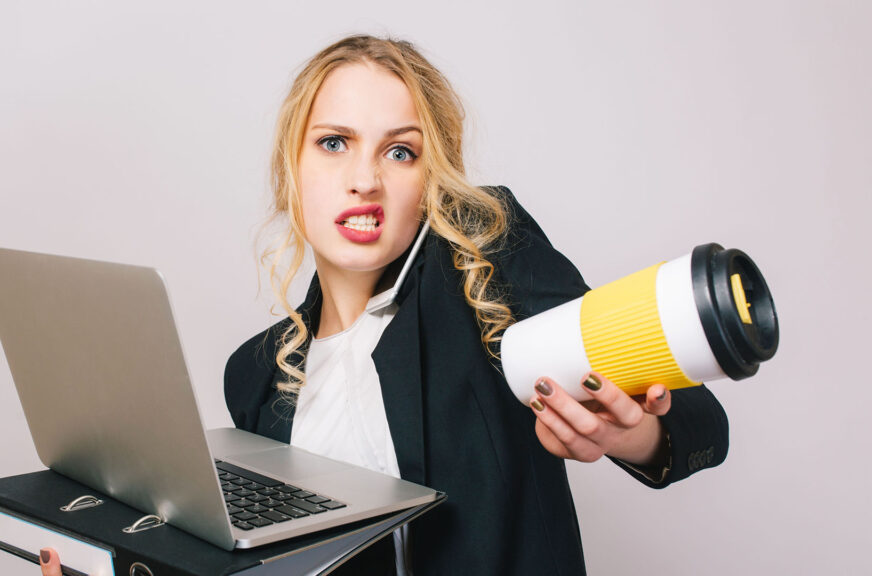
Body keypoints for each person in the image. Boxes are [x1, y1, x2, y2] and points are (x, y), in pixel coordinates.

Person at [38, 34, 728, 576]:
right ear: (292, 167)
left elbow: (696, 418)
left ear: (432, 178)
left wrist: (627, 432)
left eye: (400, 152)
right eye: (333, 143)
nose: (364, 179)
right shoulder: (254, 373)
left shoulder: (486, 270)